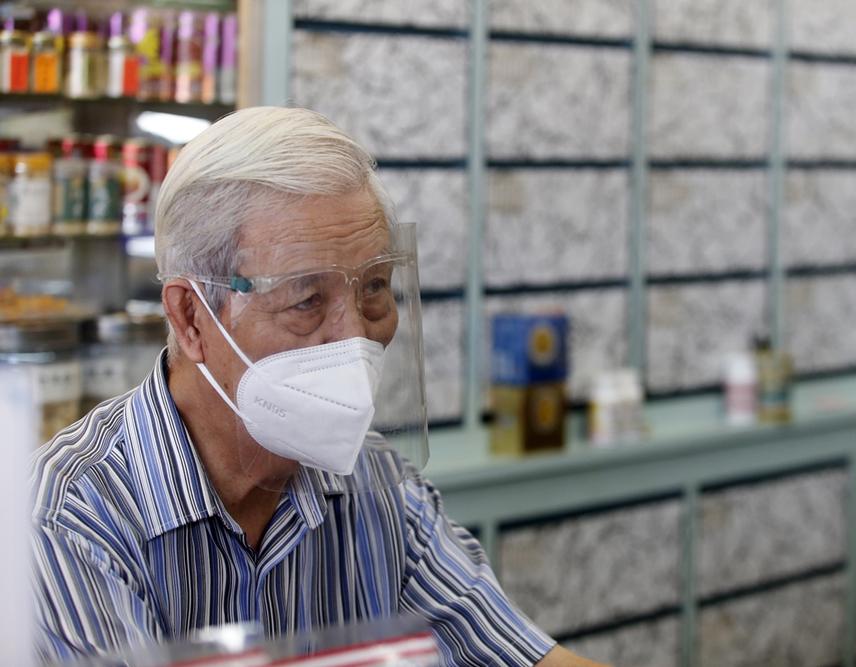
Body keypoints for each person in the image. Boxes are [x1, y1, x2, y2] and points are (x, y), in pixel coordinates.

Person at [30, 107, 607, 667]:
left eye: (374, 288)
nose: (355, 335)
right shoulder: (67, 520)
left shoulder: (376, 482)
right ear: (192, 318)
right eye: (306, 300)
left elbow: (520, 655)